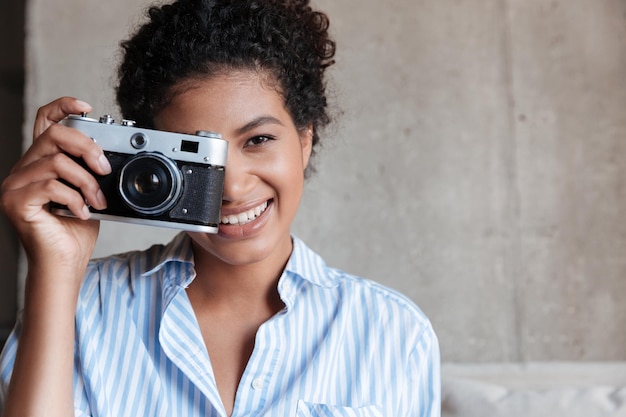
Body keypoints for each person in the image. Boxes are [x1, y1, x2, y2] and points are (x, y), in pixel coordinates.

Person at [0, 0, 440, 415]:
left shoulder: (393, 333)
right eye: (197, 158)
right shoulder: (80, 307)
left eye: (258, 140)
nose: (231, 187)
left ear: (305, 140)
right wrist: (56, 266)